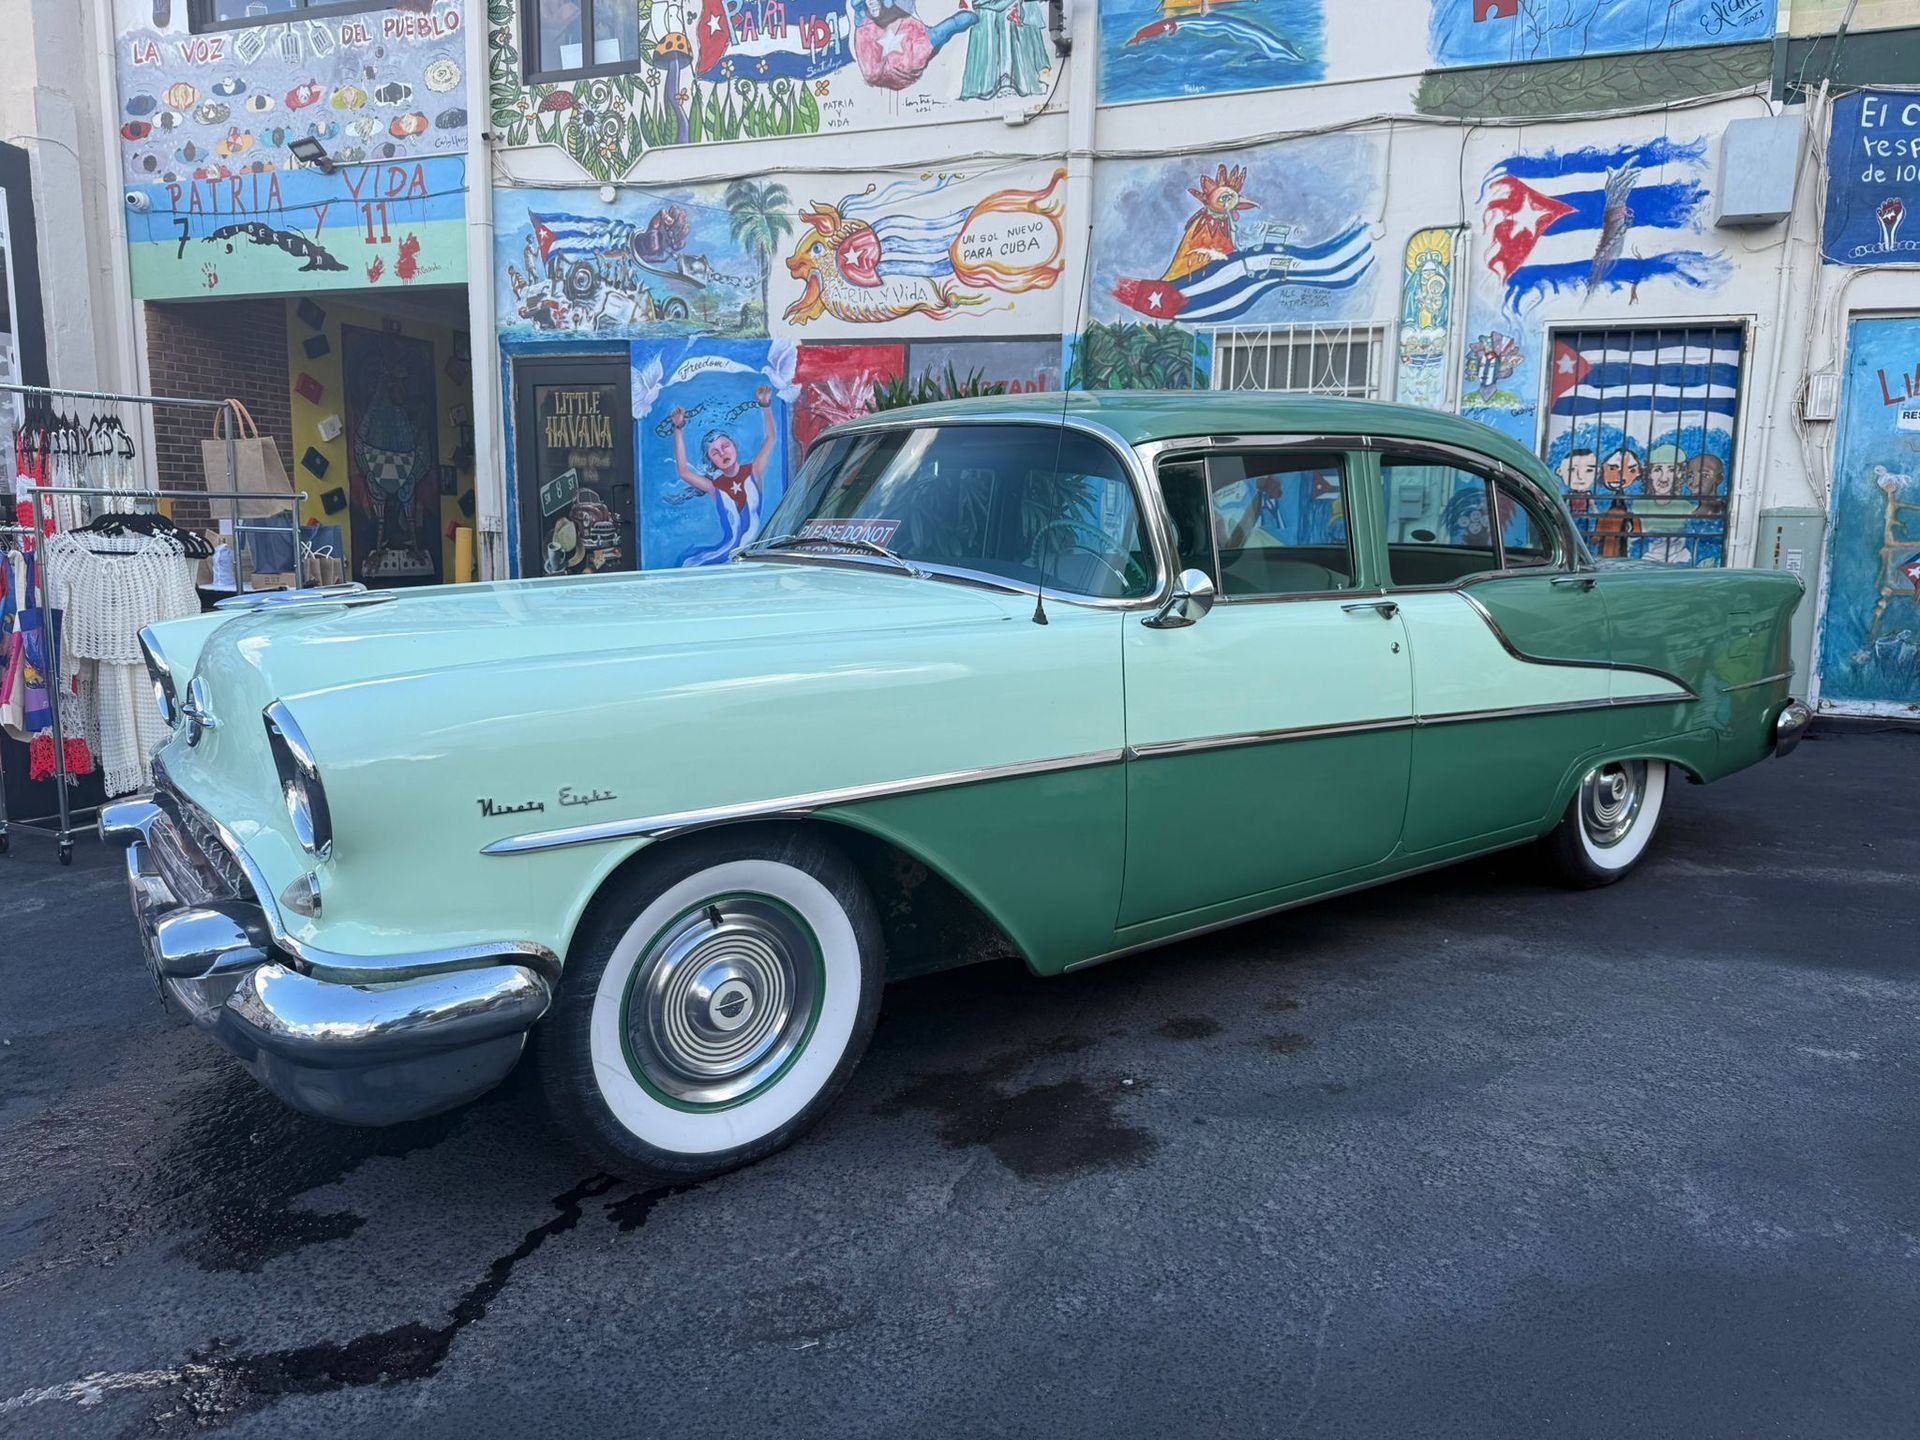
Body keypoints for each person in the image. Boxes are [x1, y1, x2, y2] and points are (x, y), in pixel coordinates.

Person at [670, 385, 776, 567]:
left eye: (725, 446)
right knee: (689, 565)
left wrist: (765, 406)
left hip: (751, 554)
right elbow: (684, 472)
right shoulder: (714, 487)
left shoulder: (753, 471)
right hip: (726, 554)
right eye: (714, 452)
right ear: (711, 461)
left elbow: (771, 438)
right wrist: (678, 429)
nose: (722, 453)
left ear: (734, 446)